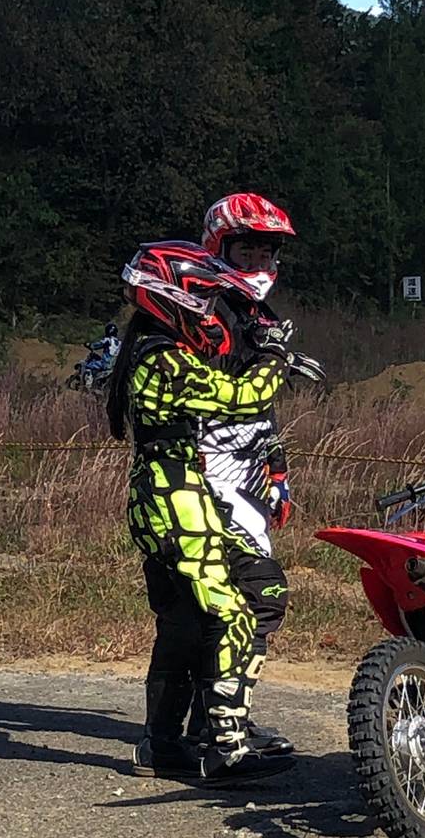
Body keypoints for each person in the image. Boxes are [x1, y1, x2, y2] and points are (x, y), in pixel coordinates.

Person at [107, 240, 316, 782]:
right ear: (168, 296)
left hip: (167, 492)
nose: (206, 308)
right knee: (235, 611)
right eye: (199, 297)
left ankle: (162, 744)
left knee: (184, 619)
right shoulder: (161, 356)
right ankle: (226, 745)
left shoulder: (150, 348)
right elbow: (241, 396)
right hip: (172, 494)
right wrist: (274, 354)